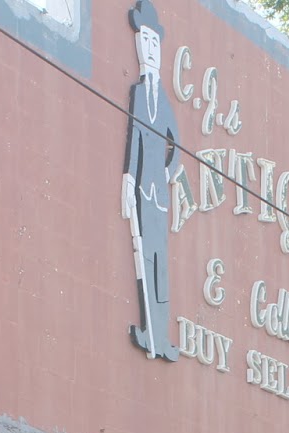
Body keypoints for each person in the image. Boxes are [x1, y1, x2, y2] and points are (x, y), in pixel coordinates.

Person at [121, 0, 182, 360]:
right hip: (141, 189)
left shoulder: (167, 104)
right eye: (145, 42)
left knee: (161, 264)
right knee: (143, 259)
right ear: (139, 46)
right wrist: (129, 180)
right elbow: (133, 138)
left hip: (159, 193)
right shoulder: (139, 94)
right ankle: (149, 334)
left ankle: (162, 336)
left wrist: (168, 174)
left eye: (155, 43)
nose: (150, 49)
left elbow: (178, 147)